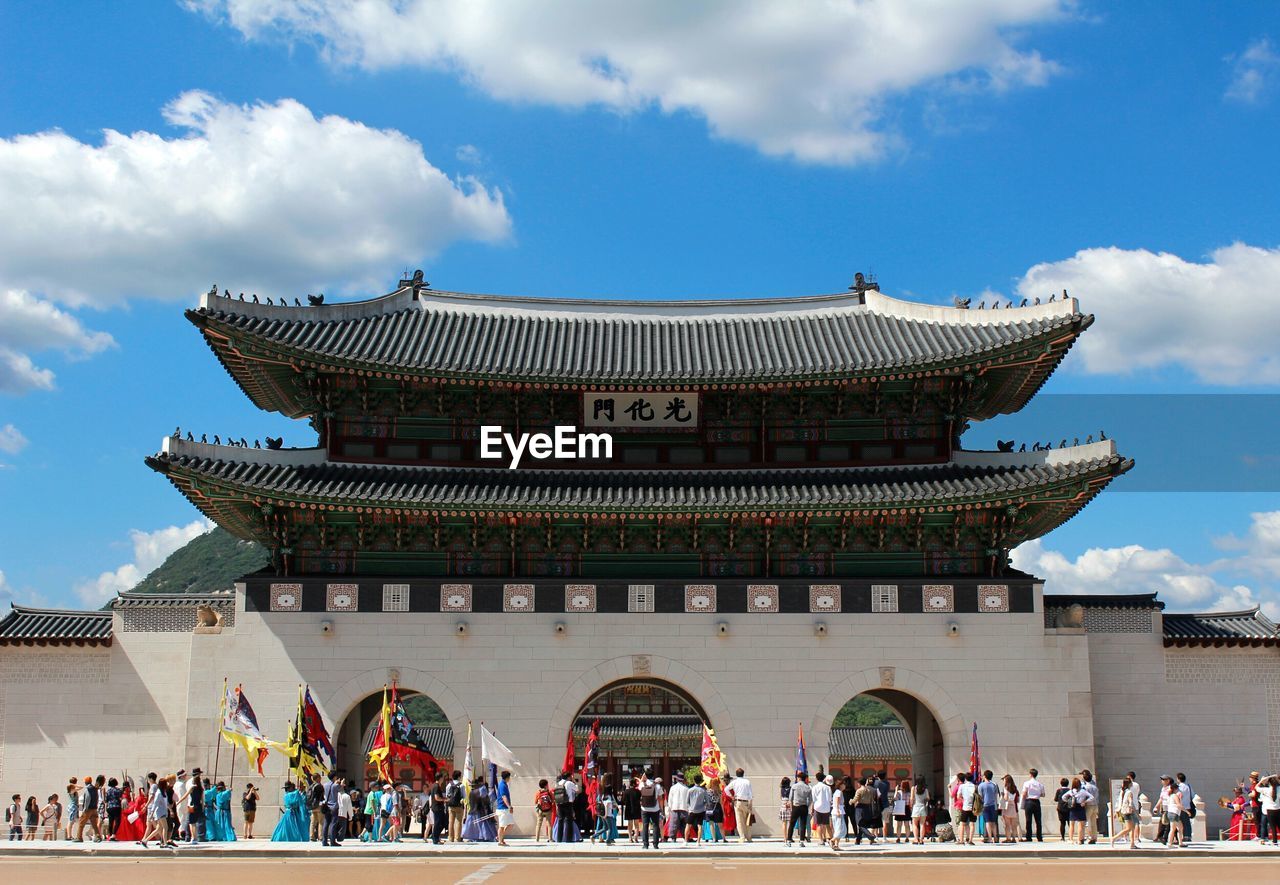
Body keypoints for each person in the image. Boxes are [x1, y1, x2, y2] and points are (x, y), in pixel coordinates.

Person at [139, 777, 171, 848]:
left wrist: (170, 810)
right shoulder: (158, 793)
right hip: (160, 812)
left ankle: (145, 840)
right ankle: (164, 843)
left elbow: (166, 803)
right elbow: (155, 804)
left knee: (158, 829)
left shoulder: (164, 792)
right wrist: (151, 814)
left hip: (163, 812)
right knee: (165, 827)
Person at [461, 777, 495, 842]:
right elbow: (484, 801)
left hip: (472, 811)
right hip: (478, 811)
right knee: (481, 826)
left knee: (472, 827)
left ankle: (473, 837)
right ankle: (483, 837)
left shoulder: (471, 792)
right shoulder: (479, 791)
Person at [1111, 776, 1139, 848]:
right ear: (1130, 784)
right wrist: (1136, 812)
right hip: (1129, 812)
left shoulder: (1122, 792)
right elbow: (1131, 803)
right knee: (1129, 828)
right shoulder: (1129, 792)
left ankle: (1132, 844)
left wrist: (1116, 812)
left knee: (1131, 828)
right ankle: (1114, 838)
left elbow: (1119, 802)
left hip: (1124, 811)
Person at [1155, 775, 1183, 848]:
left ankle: (1166, 839)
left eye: (1164, 780)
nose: (1162, 781)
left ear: (1168, 780)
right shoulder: (1163, 789)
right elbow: (1161, 798)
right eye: (1162, 780)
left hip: (1169, 807)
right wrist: (1156, 806)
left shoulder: (1171, 788)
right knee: (1165, 823)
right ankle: (1165, 838)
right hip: (1164, 807)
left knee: (1169, 825)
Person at [639, 767, 663, 849]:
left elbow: (640, 786)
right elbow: (660, 798)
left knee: (645, 825)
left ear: (645, 775)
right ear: (653, 775)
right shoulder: (658, 786)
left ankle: (645, 844)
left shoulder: (642, 784)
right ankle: (655, 844)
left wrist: (643, 778)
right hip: (655, 808)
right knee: (656, 825)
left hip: (644, 808)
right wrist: (661, 808)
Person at [727, 768, 753, 842]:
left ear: (736, 774)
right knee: (747, 820)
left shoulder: (734, 782)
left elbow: (726, 789)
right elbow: (750, 794)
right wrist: (750, 804)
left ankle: (742, 837)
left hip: (737, 802)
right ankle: (749, 837)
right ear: (743, 774)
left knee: (739, 821)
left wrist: (731, 796)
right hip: (746, 802)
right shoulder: (747, 782)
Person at [786, 771, 811, 846]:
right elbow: (810, 799)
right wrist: (808, 806)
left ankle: (789, 840)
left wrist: (791, 807)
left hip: (796, 806)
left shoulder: (794, 786)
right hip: (804, 807)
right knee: (803, 824)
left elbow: (790, 798)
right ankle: (801, 841)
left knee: (792, 824)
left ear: (799, 778)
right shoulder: (808, 787)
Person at [852, 777, 879, 845]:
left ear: (859, 783)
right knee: (863, 824)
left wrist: (850, 801)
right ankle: (858, 840)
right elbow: (871, 800)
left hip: (860, 808)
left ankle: (870, 836)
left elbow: (855, 799)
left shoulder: (859, 790)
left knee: (860, 824)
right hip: (868, 808)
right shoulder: (869, 790)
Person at [74, 776, 102, 842]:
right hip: (94, 809)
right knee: (94, 824)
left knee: (81, 823)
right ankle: (98, 837)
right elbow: (97, 798)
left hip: (88, 809)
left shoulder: (88, 789)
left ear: (86, 781)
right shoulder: (95, 789)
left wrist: (85, 808)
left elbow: (87, 798)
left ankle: (79, 837)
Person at [1021, 768, 1044, 842]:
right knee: (1038, 820)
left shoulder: (1027, 783)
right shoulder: (1040, 784)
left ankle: (1029, 837)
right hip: (1037, 802)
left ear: (1030, 774)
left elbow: (1024, 793)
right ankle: (1039, 837)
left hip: (1029, 801)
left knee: (1028, 820)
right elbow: (1043, 794)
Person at [977, 770, 999, 843]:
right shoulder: (994, 784)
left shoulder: (981, 785)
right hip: (993, 805)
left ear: (985, 776)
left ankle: (990, 837)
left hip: (985, 805)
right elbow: (996, 795)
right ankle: (995, 837)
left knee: (987, 822)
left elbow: (980, 796)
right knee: (993, 822)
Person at [955, 773, 977, 846]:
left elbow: (958, 796)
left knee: (962, 823)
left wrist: (963, 800)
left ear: (966, 779)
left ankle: (961, 840)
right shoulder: (974, 786)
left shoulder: (962, 786)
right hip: (973, 808)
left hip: (965, 807)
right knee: (972, 824)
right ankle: (970, 840)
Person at [1257, 775, 1280, 845]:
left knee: (1273, 827)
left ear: (1269, 783)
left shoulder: (1266, 790)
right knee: (1279, 825)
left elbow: (1256, 787)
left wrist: (1262, 780)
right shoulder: (1279, 788)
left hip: (1270, 810)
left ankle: (1275, 841)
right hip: (1278, 809)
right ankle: (1275, 841)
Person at [813, 775, 834, 847]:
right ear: (824, 779)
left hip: (818, 807)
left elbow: (814, 798)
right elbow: (830, 798)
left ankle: (821, 840)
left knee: (819, 824)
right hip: (826, 808)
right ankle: (831, 840)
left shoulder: (815, 787)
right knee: (826, 824)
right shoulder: (828, 787)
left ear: (816, 778)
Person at [494, 770, 515, 846]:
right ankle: (500, 840)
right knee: (502, 825)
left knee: (510, 824)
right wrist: (509, 806)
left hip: (505, 808)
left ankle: (500, 836)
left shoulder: (504, 784)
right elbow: (504, 796)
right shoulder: (502, 785)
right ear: (507, 777)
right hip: (502, 808)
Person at [1079, 769, 1099, 844]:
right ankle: (1094, 838)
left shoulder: (1085, 787)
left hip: (1088, 805)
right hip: (1095, 805)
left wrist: (1083, 802)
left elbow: (1084, 796)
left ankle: (1083, 837)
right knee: (1093, 823)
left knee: (1083, 822)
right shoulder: (1094, 786)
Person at [322, 770, 341, 847]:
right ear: (335, 777)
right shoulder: (335, 785)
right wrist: (341, 783)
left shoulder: (325, 785)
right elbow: (340, 788)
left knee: (326, 824)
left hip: (327, 806)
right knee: (333, 824)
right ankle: (332, 841)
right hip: (334, 806)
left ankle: (324, 841)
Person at [1064, 777, 1086, 845]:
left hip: (1073, 807)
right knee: (1080, 825)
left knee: (1071, 824)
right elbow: (1091, 797)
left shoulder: (1071, 791)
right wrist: (1085, 801)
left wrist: (1068, 801)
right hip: (1080, 807)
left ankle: (1071, 839)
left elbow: (1063, 797)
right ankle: (1079, 840)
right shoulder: (1083, 791)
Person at [445, 770, 465, 842]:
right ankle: (458, 837)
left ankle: (451, 837)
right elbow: (464, 796)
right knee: (458, 821)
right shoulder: (461, 785)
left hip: (450, 805)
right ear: (459, 776)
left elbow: (447, 795)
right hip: (459, 805)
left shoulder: (449, 785)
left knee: (451, 822)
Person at [999, 774, 1020, 842]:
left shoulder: (1005, 788)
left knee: (1007, 824)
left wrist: (1002, 796)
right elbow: (1018, 799)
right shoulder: (1015, 788)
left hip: (1007, 807)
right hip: (1013, 806)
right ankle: (1014, 838)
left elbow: (1006, 798)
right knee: (1013, 825)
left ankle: (1008, 838)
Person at [1175, 773, 1194, 844]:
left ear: (1178, 779)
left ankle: (1180, 837)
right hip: (1187, 806)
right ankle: (1188, 836)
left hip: (1180, 807)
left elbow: (1177, 796)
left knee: (1179, 822)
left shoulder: (1178, 787)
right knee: (1187, 822)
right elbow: (1193, 795)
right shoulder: (1188, 786)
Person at [705, 776, 725, 843]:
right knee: (720, 825)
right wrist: (723, 812)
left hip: (710, 808)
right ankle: (724, 838)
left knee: (711, 824)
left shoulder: (707, 792)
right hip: (718, 808)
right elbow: (721, 803)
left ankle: (713, 838)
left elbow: (706, 801)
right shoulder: (719, 792)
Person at [911, 777, 930, 845]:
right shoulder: (925, 789)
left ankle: (916, 839)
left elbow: (912, 799)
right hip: (923, 807)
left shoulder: (913, 788)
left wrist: (911, 806)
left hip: (916, 807)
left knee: (914, 824)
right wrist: (924, 801)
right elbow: (928, 798)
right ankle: (921, 839)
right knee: (922, 824)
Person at [1053, 777, 1071, 841]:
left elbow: (1055, 799)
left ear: (1061, 783)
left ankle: (1063, 837)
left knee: (1062, 823)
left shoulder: (1059, 790)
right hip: (1068, 808)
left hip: (1060, 808)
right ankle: (1070, 837)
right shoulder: (1070, 790)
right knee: (1070, 823)